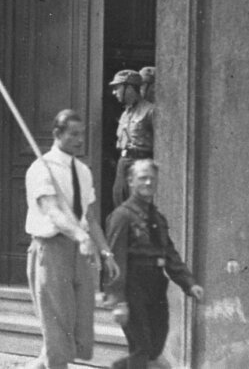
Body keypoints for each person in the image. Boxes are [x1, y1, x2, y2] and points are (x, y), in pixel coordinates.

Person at [23, 109, 118, 368]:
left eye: (82, 134)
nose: (80, 140)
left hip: (80, 254)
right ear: (57, 134)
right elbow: (52, 210)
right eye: (73, 134)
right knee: (57, 329)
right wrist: (80, 236)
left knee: (78, 329)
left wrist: (105, 251)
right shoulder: (41, 168)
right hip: (51, 250)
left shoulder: (83, 171)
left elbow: (91, 217)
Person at [105, 160, 204, 369]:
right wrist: (118, 300)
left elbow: (169, 254)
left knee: (156, 346)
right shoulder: (122, 216)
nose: (148, 182)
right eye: (143, 178)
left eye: (152, 178)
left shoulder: (157, 217)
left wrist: (189, 283)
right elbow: (114, 260)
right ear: (130, 181)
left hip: (156, 285)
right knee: (142, 347)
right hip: (133, 285)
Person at [111, 69, 155, 208]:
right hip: (123, 164)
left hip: (140, 164)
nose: (114, 92)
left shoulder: (150, 111)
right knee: (120, 204)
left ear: (129, 88)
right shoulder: (125, 113)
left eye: (117, 88)